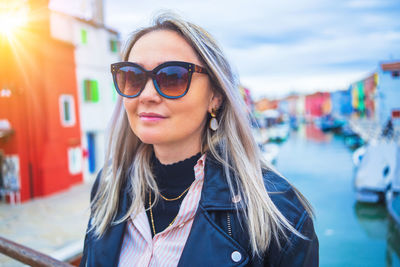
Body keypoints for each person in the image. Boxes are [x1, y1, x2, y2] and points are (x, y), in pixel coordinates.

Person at [80, 12, 318, 267]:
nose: (146, 95)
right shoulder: (109, 185)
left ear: (215, 95)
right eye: (133, 76)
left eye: (172, 77)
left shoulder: (279, 212)